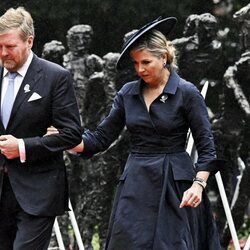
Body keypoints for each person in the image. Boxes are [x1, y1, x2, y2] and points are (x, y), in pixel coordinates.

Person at [48, 16, 224, 249]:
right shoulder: (127, 93)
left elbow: (207, 147)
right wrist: (66, 139)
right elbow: (100, 138)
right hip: (136, 182)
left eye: (146, 62)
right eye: (135, 63)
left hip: (176, 185)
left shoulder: (187, 92)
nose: (139, 69)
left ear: (164, 57)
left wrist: (198, 185)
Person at [0, 7, 82, 250]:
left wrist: (23, 147)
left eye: (10, 46)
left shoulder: (55, 76)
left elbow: (72, 133)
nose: (4, 53)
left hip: (38, 192)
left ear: (29, 41)